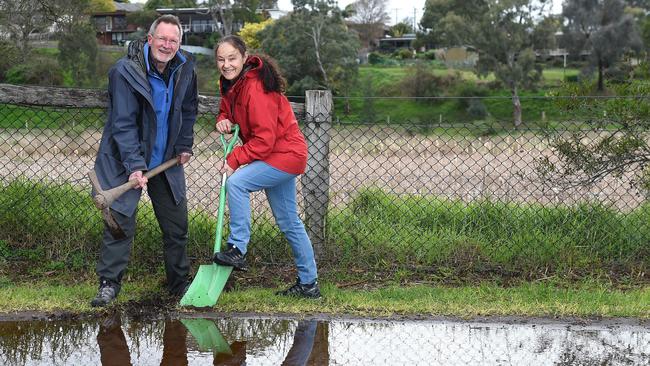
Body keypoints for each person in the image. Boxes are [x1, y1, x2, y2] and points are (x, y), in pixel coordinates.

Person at [90, 14, 198, 307]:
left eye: (173, 40)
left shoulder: (185, 68)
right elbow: (122, 124)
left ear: (179, 43)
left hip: (166, 160)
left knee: (176, 226)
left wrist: (184, 144)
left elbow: (188, 109)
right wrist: (135, 165)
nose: (167, 45)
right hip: (126, 160)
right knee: (120, 223)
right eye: (162, 38)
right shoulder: (124, 71)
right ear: (149, 39)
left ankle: (178, 284)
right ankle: (109, 284)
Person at [212, 35, 321, 299]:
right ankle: (309, 285)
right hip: (273, 154)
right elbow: (228, 107)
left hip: (284, 154)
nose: (226, 64)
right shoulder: (232, 83)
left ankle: (237, 248)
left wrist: (234, 159)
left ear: (244, 56)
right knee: (289, 222)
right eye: (221, 59)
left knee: (236, 183)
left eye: (232, 58)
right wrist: (223, 118)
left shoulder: (256, 87)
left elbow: (265, 139)